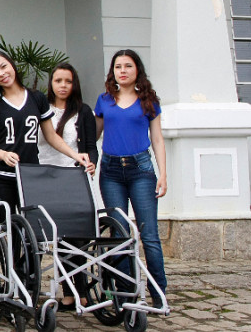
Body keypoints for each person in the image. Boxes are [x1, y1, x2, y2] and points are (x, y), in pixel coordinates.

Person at [0, 50, 92, 224]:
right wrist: (3, 154)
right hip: (0, 176)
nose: (1, 73)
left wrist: (76, 156)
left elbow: (51, 136)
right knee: (10, 229)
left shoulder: (37, 98)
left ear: (12, 65)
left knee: (34, 229)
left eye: (3, 66)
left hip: (29, 175)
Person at [95, 49, 167, 308]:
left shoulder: (149, 101)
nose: (122, 71)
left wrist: (163, 174)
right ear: (112, 72)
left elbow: (157, 139)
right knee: (119, 233)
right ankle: (125, 292)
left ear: (137, 70)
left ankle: (158, 293)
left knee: (149, 235)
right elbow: (94, 135)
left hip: (141, 170)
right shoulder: (104, 100)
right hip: (111, 171)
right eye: (118, 66)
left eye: (127, 66)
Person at [37, 62, 98, 310]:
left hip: (73, 176)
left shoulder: (83, 111)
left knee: (75, 237)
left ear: (75, 85)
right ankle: (66, 291)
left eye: (68, 81)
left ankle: (79, 292)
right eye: (58, 80)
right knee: (54, 235)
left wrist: (91, 163)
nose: (63, 85)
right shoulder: (41, 109)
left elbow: (91, 146)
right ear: (51, 83)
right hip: (44, 176)